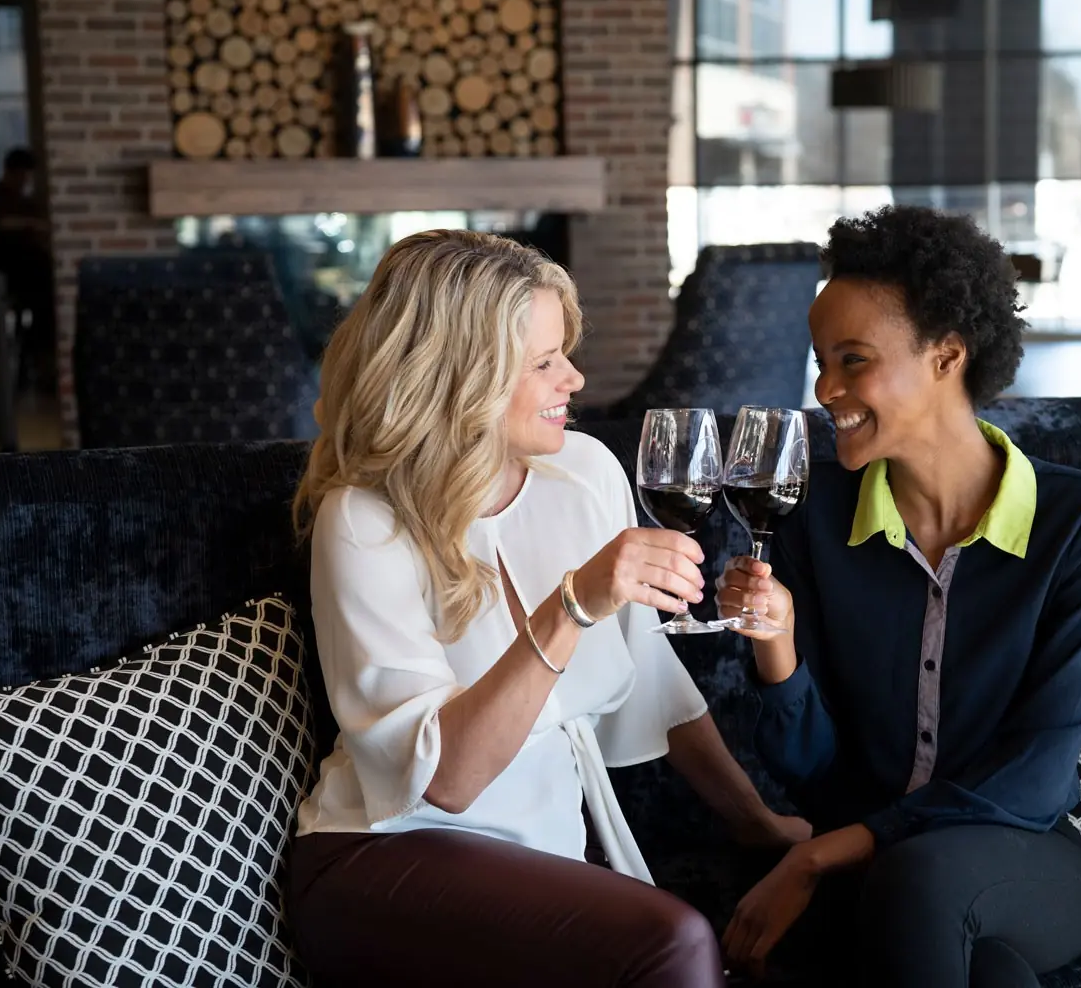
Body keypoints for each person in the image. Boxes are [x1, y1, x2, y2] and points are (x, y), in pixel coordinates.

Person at [288, 229, 808, 988]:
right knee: (673, 945)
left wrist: (756, 823)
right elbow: (448, 782)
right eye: (543, 362)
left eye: (564, 350)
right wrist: (571, 605)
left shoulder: (585, 472)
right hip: (388, 853)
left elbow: (655, 683)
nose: (574, 375)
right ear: (461, 376)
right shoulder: (365, 518)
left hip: (546, 856)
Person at [715, 205, 1081, 987]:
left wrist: (818, 854)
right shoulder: (814, 512)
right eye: (820, 359)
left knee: (923, 881)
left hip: (1020, 857)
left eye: (853, 359)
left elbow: (1036, 774)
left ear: (946, 357)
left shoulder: (1078, 519)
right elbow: (810, 772)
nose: (824, 387)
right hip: (866, 866)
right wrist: (777, 648)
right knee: (993, 972)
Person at [0, 148, 54, 391]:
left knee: (42, 312)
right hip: (5, 271)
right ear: (10, 172)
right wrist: (30, 225)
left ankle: (35, 368)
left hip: (33, 275)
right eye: (22, 176)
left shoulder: (27, 203)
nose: (24, 182)